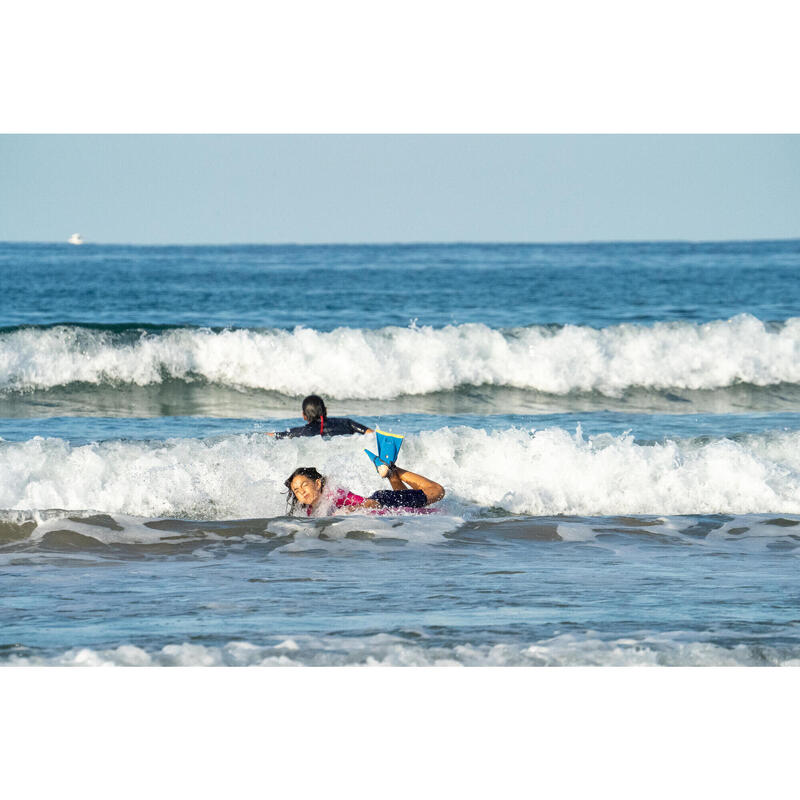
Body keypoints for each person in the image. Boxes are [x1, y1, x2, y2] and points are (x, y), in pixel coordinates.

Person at [284, 464, 445, 516]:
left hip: (385, 499)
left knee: (437, 491)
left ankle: (395, 470)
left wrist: (352, 509)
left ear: (317, 484)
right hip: (389, 507)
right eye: (296, 491)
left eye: (304, 485)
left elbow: (372, 504)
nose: (301, 492)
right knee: (420, 509)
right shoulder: (312, 511)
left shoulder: (335, 494)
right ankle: (392, 476)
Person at [268, 395, 373, 439]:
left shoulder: (300, 432)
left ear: (304, 416)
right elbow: (371, 434)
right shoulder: (347, 423)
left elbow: (274, 435)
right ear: (326, 410)